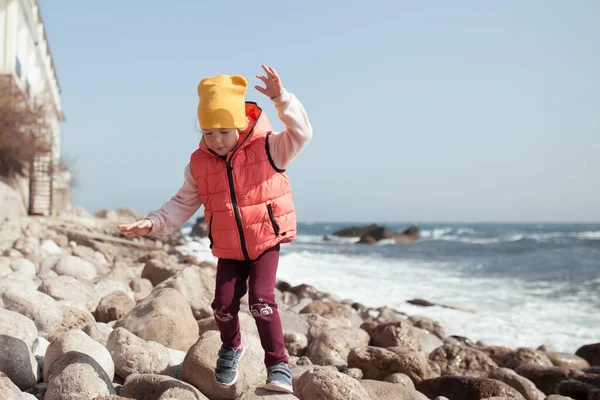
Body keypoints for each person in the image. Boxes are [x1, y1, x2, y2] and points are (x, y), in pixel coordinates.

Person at [118, 65, 312, 393]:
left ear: (239, 124)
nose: (216, 140)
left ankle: (278, 364)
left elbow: (302, 133)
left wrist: (281, 99)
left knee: (262, 301)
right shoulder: (199, 164)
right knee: (222, 305)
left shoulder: (269, 147)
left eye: (224, 131)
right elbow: (182, 203)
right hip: (228, 247)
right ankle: (231, 346)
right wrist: (154, 222)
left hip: (265, 240)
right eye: (208, 132)